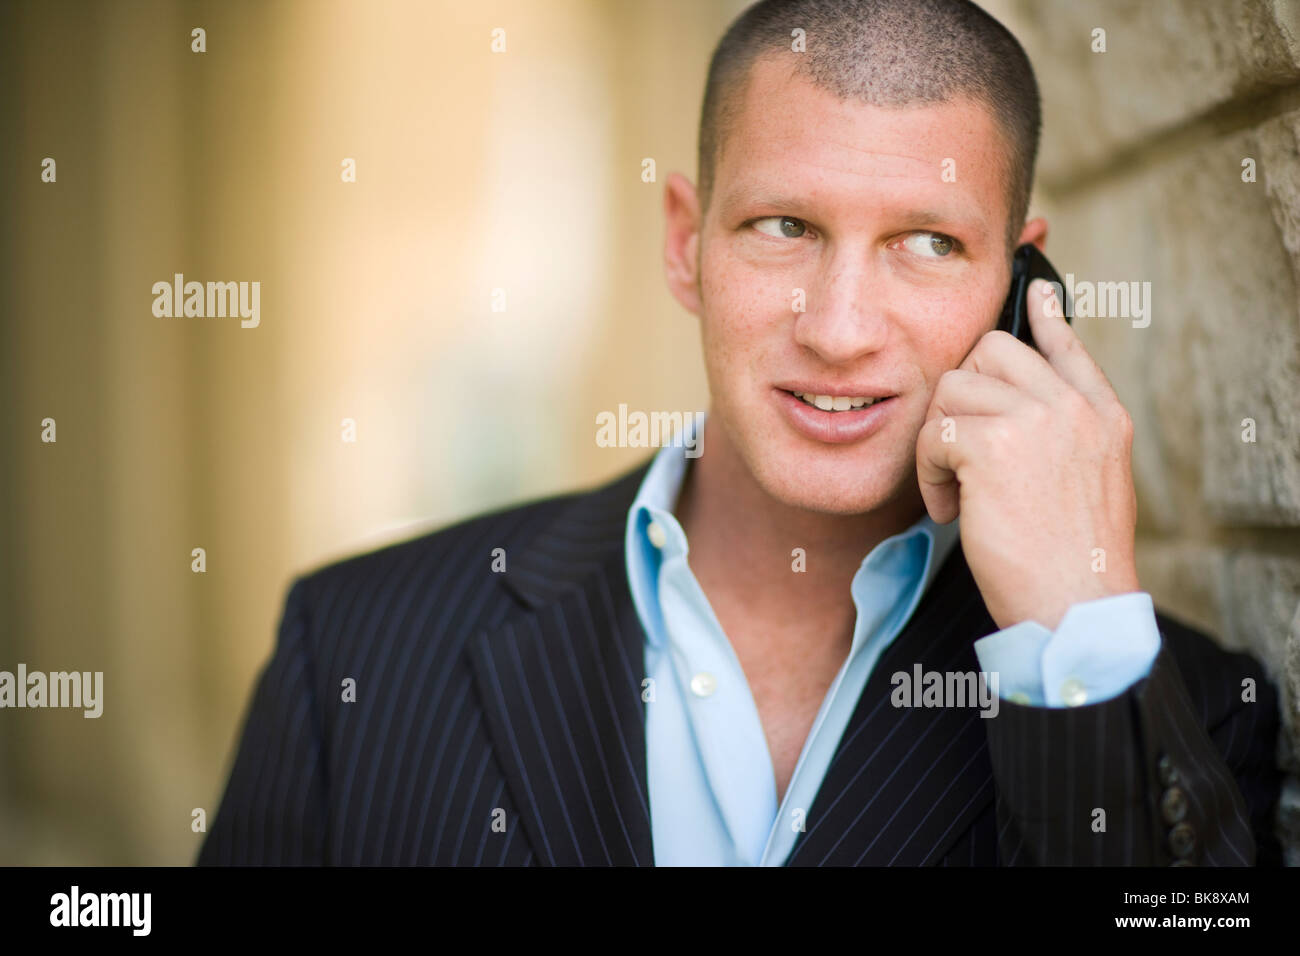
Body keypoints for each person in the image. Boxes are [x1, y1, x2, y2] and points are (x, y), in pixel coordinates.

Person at [198, 0, 1283, 866]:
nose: (841, 329)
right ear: (686, 246)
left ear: (1018, 282)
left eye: (927, 243)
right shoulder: (350, 651)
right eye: (784, 226)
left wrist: (1073, 635)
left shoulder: (1177, 703)